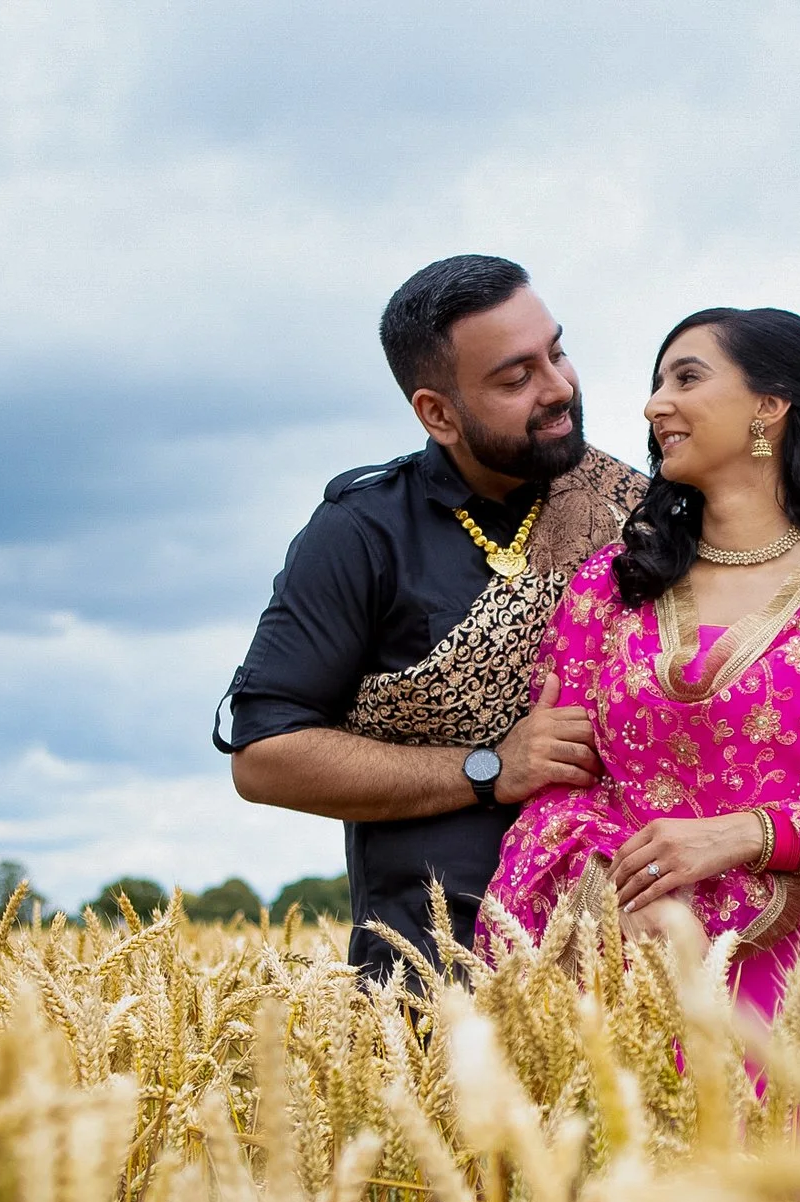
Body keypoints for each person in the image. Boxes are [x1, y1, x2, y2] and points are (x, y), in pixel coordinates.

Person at [481, 307, 800, 1014]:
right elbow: (558, 792)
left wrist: (750, 834)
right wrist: (615, 895)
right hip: (633, 978)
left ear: (769, 405)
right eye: (658, 382)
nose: (656, 404)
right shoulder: (611, 588)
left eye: (686, 378)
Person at [215, 256, 647, 978]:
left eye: (559, 351)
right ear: (437, 412)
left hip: (635, 968)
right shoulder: (362, 533)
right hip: (434, 981)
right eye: (516, 378)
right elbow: (264, 758)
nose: (559, 387)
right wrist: (489, 769)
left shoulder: (640, 513)